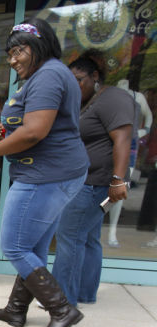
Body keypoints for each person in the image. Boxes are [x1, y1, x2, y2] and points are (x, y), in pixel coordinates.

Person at [0, 19, 89, 327]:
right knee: (35, 247)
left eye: (18, 51)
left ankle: (62, 310)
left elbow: (36, 131)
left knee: (14, 245)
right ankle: (16, 310)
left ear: (38, 47)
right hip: (52, 171)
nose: (12, 60)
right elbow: (31, 126)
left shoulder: (50, 75)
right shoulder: (45, 75)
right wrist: (7, 132)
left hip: (46, 174)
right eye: (9, 53)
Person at [52, 50, 132, 306]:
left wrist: (119, 179)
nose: (75, 86)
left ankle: (62, 301)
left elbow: (123, 139)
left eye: (79, 79)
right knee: (87, 237)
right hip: (87, 181)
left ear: (95, 76)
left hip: (94, 183)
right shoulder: (87, 102)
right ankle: (84, 293)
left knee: (69, 236)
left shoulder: (113, 98)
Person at [107, 79, 152, 247]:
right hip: (106, 144)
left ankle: (111, 230)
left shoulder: (138, 97)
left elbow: (149, 116)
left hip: (130, 147)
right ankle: (97, 222)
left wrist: (144, 130)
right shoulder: (107, 94)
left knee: (119, 190)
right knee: (100, 188)